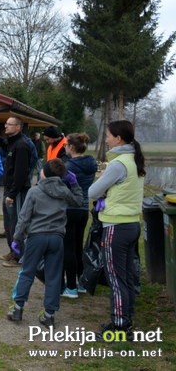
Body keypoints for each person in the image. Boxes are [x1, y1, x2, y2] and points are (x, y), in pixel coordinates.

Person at [7, 159, 83, 328]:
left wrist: (16, 238)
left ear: (45, 173)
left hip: (36, 237)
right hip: (56, 238)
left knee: (27, 272)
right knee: (54, 276)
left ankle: (18, 308)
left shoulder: (34, 192)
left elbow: (24, 217)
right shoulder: (64, 191)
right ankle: (49, 314)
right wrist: (75, 183)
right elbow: (79, 201)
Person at [88, 120, 145, 338]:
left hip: (115, 226)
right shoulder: (134, 159)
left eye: (108, 136)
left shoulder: (118, 164)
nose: (106, 139)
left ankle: (120, 326)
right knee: (127, 277)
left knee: (116, 278)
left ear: (118, 139)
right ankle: (127, 318)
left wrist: (103, 186)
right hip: (131, 224)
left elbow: (93, 192)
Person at [0, 116, 32, 268]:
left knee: (16, 223)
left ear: (18, 127)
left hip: (17, 191)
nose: (6, 126)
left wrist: (12, 194)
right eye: (6, 124)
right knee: (8, 223)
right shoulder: (13, 142)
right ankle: (12, 251)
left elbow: (21, 173)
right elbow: (8, 146)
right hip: (9, 189)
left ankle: (19, 256)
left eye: (9, 124)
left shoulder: (22, 146)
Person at [61, 133, 98, 298]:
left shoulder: (69, 167)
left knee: (68, 248)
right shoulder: (91, 163)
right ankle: (82, 282)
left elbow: (62, 187)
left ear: (71, 147)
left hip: (69, 209)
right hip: (83, 210)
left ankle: (71, 287)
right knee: (78, 247)